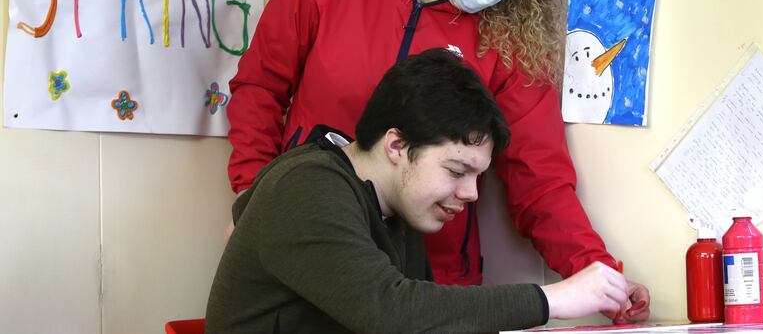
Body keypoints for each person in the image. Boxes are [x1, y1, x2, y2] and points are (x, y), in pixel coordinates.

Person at [226, 0, 650, 322]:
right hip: (318, 231)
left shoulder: (512, 37)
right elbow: (260, 85)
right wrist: (255, 198)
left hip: (433, 270)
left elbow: (540, 177)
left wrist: (599, 275)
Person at [207, 49, 633, 333]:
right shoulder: (306, 187)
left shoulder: (397, 208)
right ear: (396, 145)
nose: (471, 194)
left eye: (477, 177)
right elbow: (390, 313)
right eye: (456, 170)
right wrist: (552, 299)